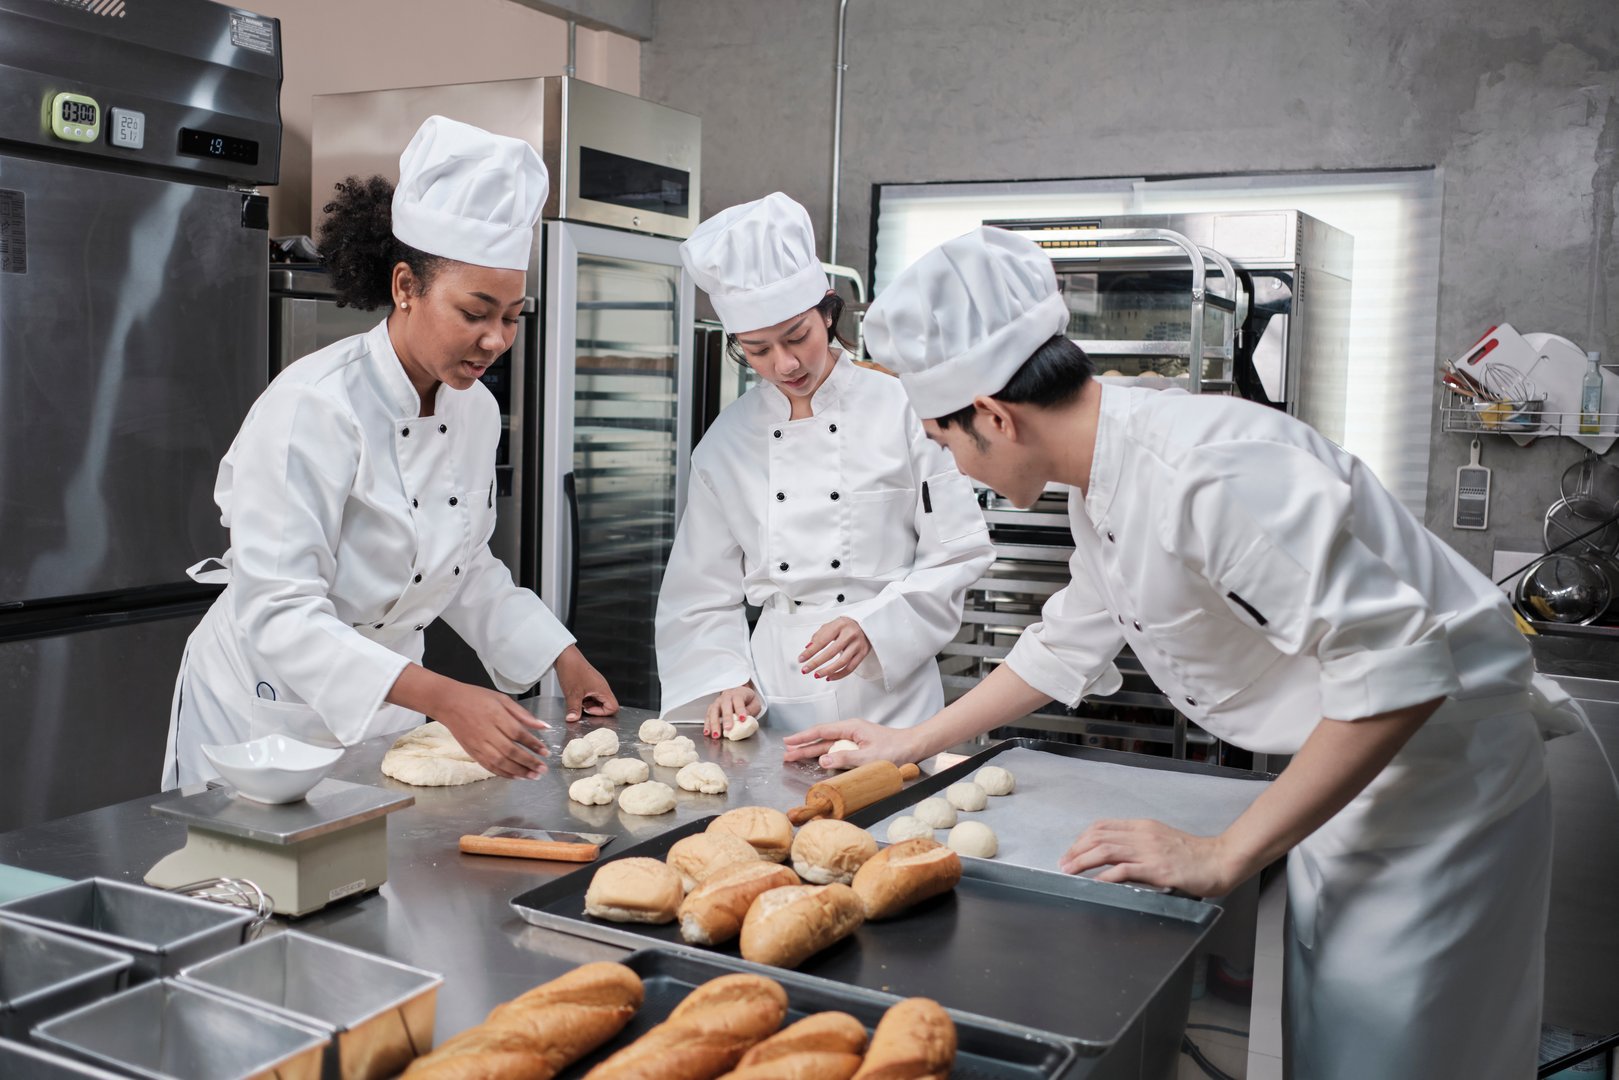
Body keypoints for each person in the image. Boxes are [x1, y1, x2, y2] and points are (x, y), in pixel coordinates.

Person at [784, 226, 1583, 1078]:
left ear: (991, 416)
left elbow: (1397, 671)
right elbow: (1064, 643)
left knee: (1407, 1055)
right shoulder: (1102, 481)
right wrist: (908, 743)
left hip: (1439, 784)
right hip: (1347, 775)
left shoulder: (1210, 471)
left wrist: (1223, 853)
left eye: (946, 446)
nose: (960, 470)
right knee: (1336, 1040)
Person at [164, 116, 616, 788]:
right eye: (475, 312)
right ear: (405, 286)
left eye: (513, 316)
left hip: (388, 709)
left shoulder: (476, 409)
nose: (496, 339)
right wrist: (442, 696)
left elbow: (462, 563)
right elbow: (280, 610)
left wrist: (562, 657)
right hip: (262, 715)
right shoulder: (314, 407)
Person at [655, 193, 995, 737]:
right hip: (775, 698)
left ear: (828, 313)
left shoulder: (907, 410)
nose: (784, 364)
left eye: (797, 337)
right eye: (757, 350)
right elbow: (699, 593)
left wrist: (877, 625)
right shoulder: (726, 443)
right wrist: (724, 681)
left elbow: (957, 553)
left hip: (896, 699)